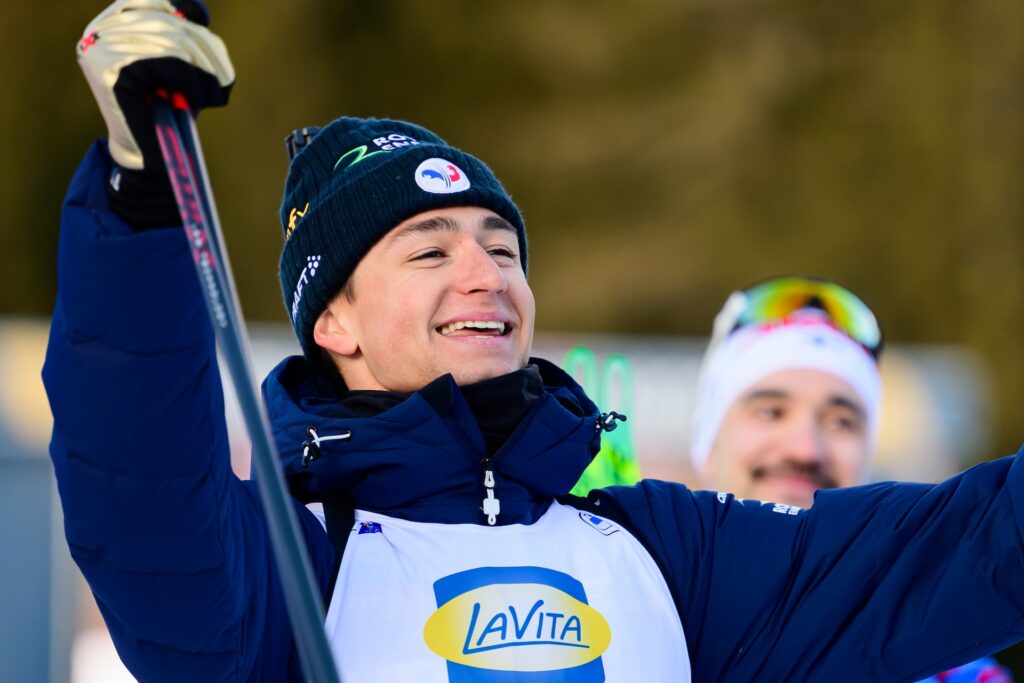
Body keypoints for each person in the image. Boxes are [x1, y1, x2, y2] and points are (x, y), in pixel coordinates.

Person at [44, 1, 1024, 680]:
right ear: (331, 321)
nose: (484, 274)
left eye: (501, 245)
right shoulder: (285, 565)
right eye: (428, 251)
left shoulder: (666, 552)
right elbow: (138, 477)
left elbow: (966, 545)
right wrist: (138, 197)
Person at [690, 275, 1013, 682]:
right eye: (771, 411)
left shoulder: (953, 671)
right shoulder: (624, 621)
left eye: (841, 421)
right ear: (707, 444)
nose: (805, 449)